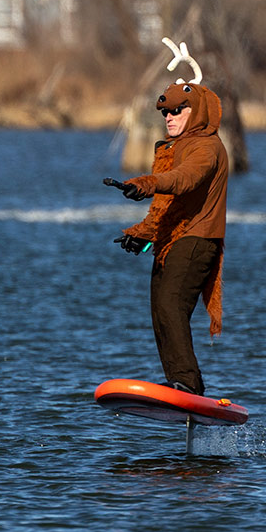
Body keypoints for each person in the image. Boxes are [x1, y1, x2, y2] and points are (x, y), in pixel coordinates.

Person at [105, 41, 228, 397]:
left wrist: (148, 182)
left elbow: (184, 180)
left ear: (197, 111)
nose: (169, 117)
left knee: (172, 306)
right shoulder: (174, 148)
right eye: (166, 113)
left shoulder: (207, 147)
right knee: (161, 311)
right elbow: (165, 207)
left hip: (196, 241)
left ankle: (186, 383)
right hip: (173, 239)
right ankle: (186, 386)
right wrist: (144, 235)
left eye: (177, 110)